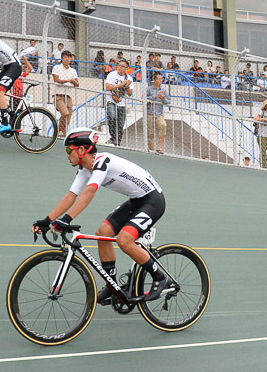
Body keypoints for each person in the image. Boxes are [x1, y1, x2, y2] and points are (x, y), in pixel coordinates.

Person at [32, 127, 173, 305]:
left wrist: (67, 219)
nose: (67, 155)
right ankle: (112, 284)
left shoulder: (102, 161)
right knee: (103, 233)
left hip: (153, 201)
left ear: (82, 150)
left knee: (124, 240)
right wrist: (47, 220)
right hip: (136, 201)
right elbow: (71, 195)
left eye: (69, 150)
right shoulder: (85, 169)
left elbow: (89, 192)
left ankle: (160, 278)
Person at [104, 57, 132, 145]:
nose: (120, 68)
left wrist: (126, 86)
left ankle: (117, 141)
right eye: (119, 65)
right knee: (112, 117)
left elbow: (130, 93)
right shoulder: (112, 75)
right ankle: (113, 138)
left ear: (126, 68)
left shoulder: (129, 78)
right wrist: (121, 85)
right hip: (111, 101)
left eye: (123, 66)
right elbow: (108, 87)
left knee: (120, 124)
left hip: (122, 103)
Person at [51, 49, 80, 136]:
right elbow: (56, 80)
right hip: (58, 95)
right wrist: (69, 81)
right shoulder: (57, 67)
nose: (67, 59)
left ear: (71, 59)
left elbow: (77, 83)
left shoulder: (73, 71)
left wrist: (74, 82)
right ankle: (59, 130)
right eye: (65, 57)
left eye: (69, 57)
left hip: (68, 95)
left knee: (69, 115)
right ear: (62, 58)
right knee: (65, 113)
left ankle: (62, 132)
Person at [145, 72, 168, 154]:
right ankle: (151, 150)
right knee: (150, 132)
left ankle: (159, 147)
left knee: (163, 126)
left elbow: (168, 101)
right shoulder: (148, 89)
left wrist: (162, 98)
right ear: (154, 80)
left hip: (159, 113)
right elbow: (143, 99)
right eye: (158, 79)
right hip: (149, 113)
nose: (160, 80)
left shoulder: (164, 90)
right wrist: (155, 97)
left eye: (161, 78)